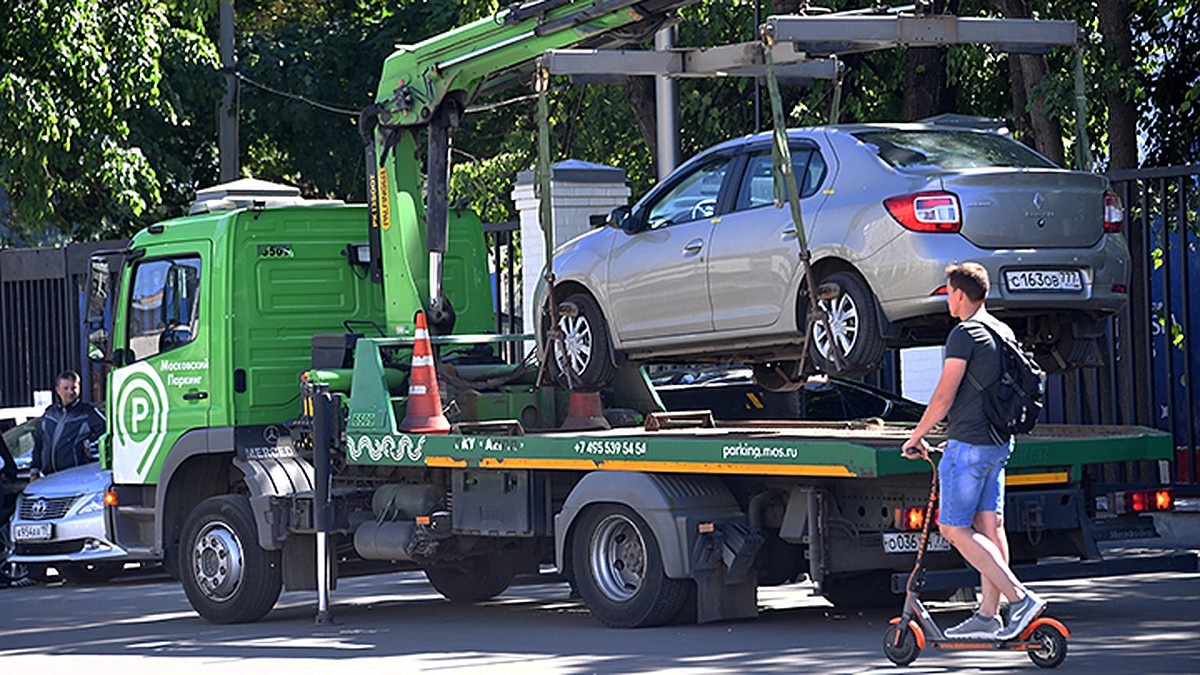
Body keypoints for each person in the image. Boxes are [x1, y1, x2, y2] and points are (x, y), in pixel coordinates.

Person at [901, 262, 1045, 641]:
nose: (947, 298)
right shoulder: (1001, 330)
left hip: (970, 445)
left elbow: (944, 395)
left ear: (960, 294)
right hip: (998, 443)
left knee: (952, 528)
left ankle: (1019, 598)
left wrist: (917, 436)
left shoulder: (964, 334)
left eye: (949, 292)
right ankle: (987, 615)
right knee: (990, 526)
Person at [29, 371, 106, 480]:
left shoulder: (88, 412)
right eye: (66, 388)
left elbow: (107, 432)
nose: (70, 392)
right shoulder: (50, 413)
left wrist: (90, 445)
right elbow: (39, 442)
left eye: (74, 388)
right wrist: (34, 471)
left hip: (76, 477)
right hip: (48, 477)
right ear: (58, 390)